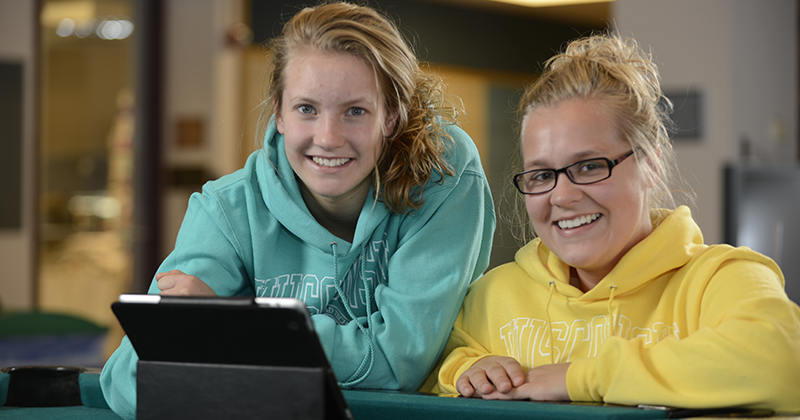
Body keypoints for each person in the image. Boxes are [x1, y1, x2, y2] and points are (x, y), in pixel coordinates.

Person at [101, 2, 495, 418]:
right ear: (279, 113)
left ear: (392, 117)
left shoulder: (443, 174)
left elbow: (398, 365)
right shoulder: (227, 207)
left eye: (355, 111)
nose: (327, 138)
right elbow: (129, 379)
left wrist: (233, 328)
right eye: (307, 109)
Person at [431, 32, 800, 412]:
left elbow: (785, 362)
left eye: (589, 166)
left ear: (651, 164)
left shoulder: (720, 279)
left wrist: (582, 377)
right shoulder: (493, 296)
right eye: (541, 175)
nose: (561, 195)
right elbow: (431, 369)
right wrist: (464, 369)